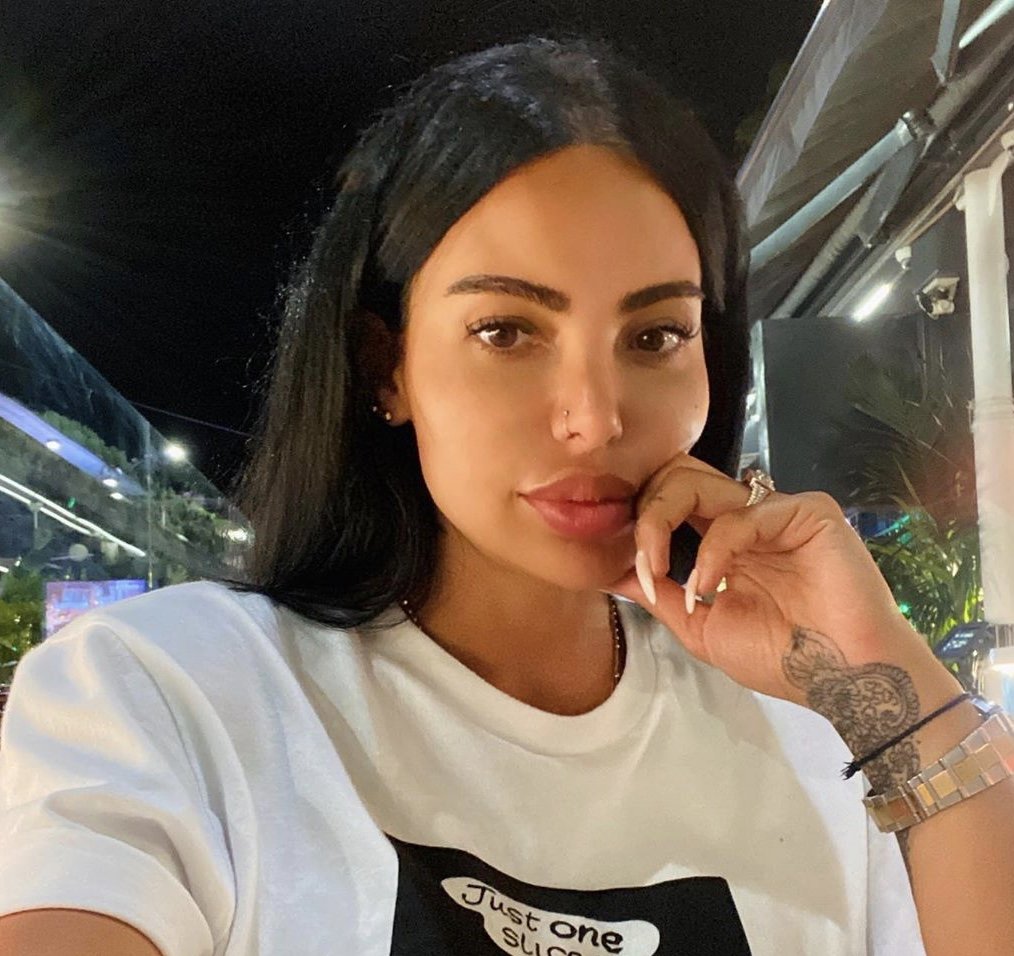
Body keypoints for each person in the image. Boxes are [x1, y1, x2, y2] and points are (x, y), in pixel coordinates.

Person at [0, 35, 1011, 956]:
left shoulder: (821, 731)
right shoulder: (172, 696)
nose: (593, 418)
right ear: (386, 366)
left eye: (655, 335)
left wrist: (890, 682)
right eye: (507, 331)